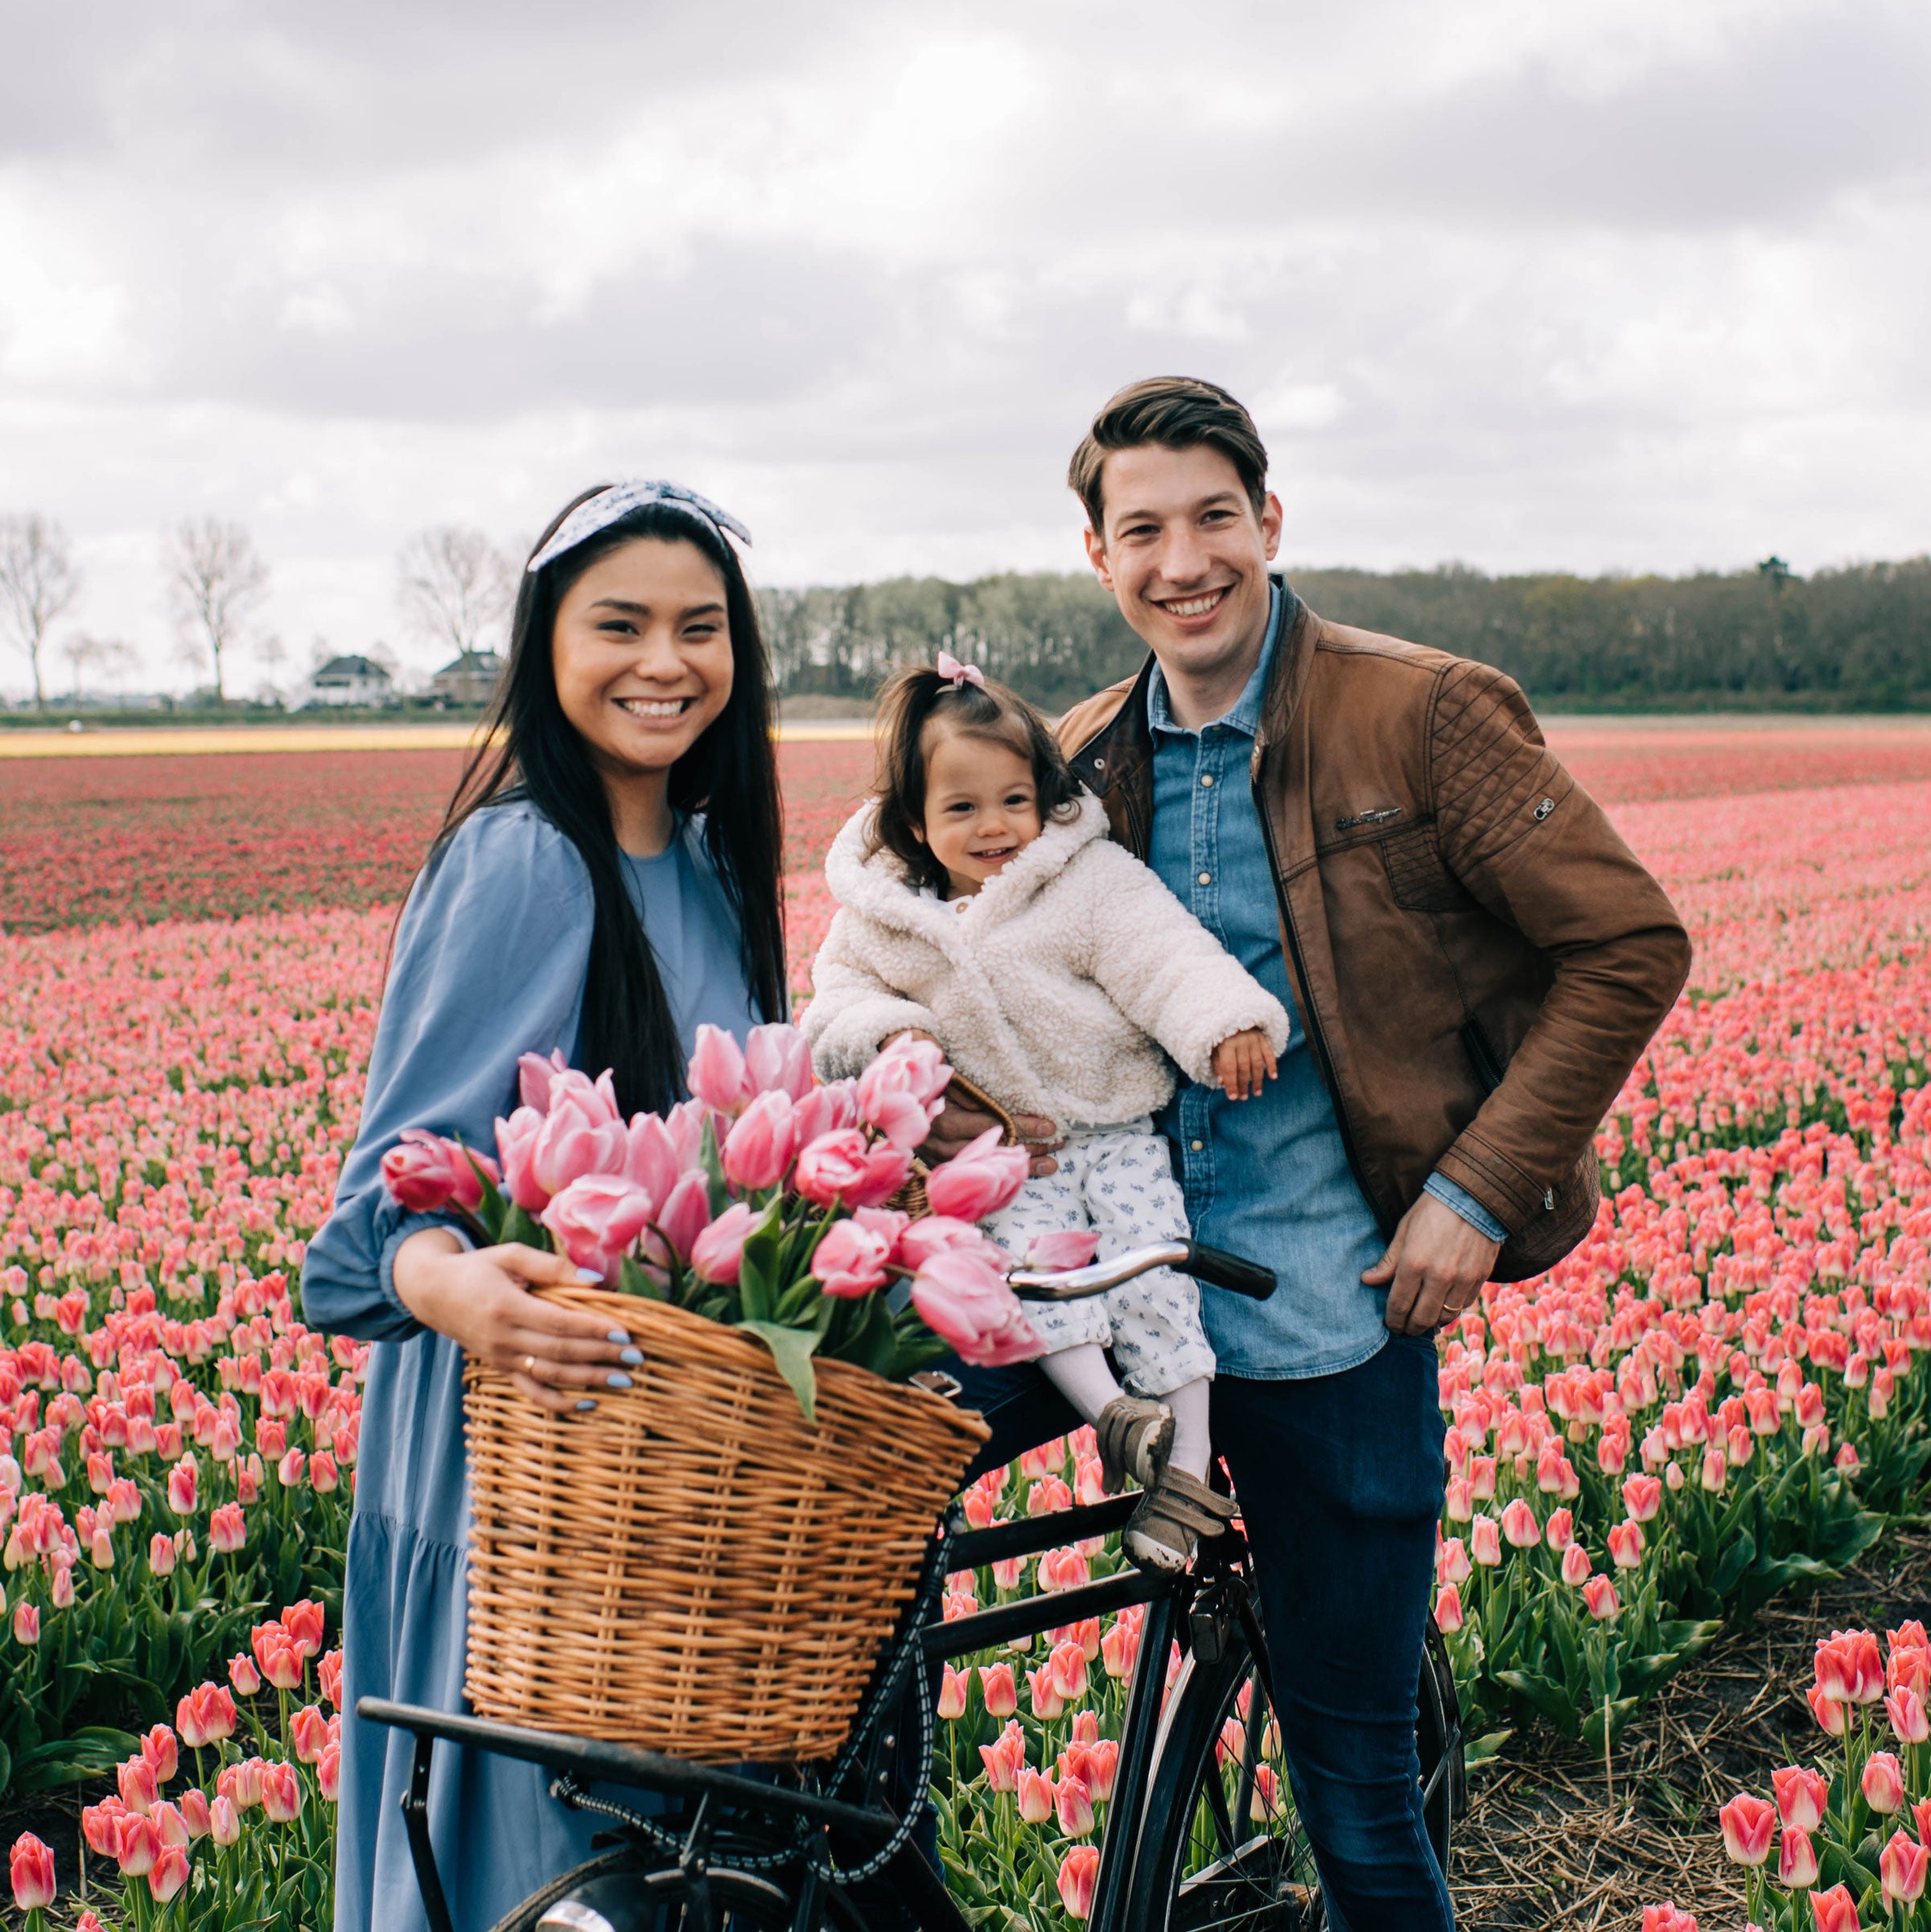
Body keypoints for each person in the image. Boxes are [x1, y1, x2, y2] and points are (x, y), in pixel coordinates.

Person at [927, 377, 1691, 1930]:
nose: (1183, 558)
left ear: (1268, 522)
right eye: (1141, 528)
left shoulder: (1419, 713)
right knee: (868, 1501)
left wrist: (1475, 1192)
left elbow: (1628, 941)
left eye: (1214, 516)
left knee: (1354, 1798)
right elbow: (958, 971)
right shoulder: (1077, 767)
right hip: (1111, 1284)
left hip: (1329, 1302)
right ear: (1098, 554)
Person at [299, 480, 788, 1932]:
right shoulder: (526, 859)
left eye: (701, 629)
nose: (665, 662)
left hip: (659, 1465)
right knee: (546, 1885)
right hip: (521, 1457)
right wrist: (453, 1285)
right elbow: (383, 1207)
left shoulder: (707, 863)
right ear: (545, 644)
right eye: (619, 625)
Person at [802, 655, 1289, 1569]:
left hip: (1114, 1134)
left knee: (1156, 1283)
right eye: (962, 809)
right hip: (1004, 1161)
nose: (995, 828)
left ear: (1046, 798)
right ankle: (1116, 1417)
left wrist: (1223, 1024)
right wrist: (895, 1038)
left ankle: (1185, 1472)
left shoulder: (1086, 881)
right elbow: (837, 1003)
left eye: (1014, 801)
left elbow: (1164, 956)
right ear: (913, 822)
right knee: (1028, 1288)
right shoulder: (883, 918)